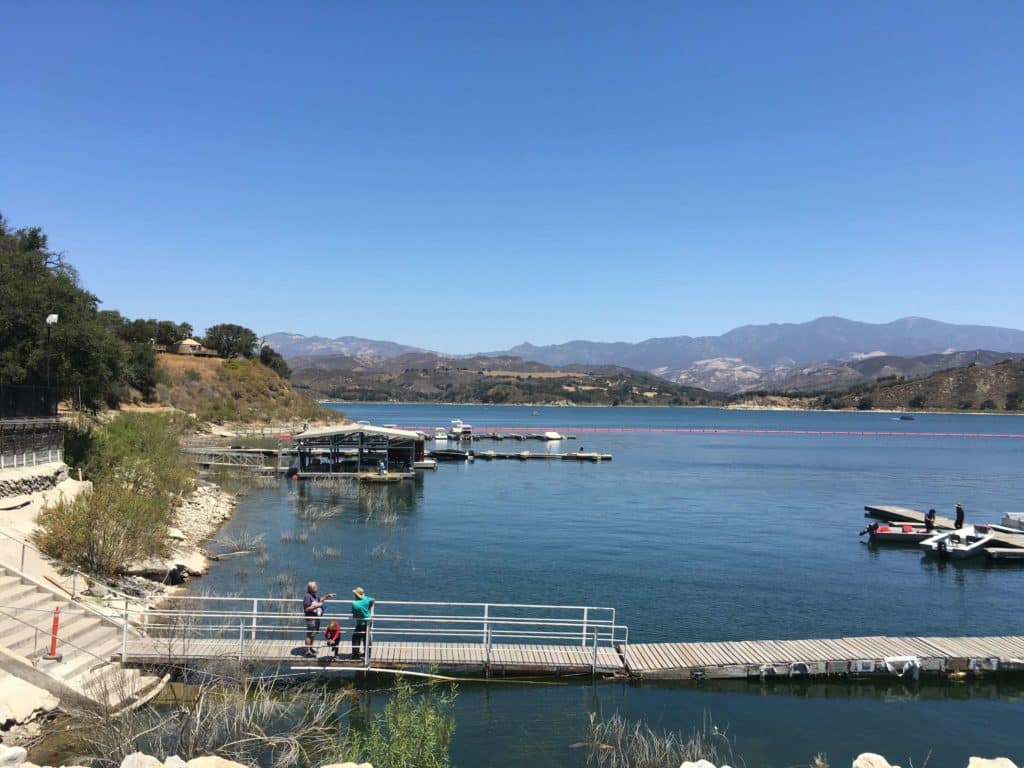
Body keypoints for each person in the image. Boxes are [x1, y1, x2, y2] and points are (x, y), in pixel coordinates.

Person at [302, 581, 336, 657]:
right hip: (311, 619)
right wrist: (317, 606)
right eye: (315, 587)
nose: (317, 587)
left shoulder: (313, 595)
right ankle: (307, 651)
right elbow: (307, 609)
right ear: (311, 589)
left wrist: (328, 596)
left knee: (313, 634)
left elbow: (320, 599)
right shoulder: (307, 597)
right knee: (309, 634)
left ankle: (311, 648)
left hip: (316, 618)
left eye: (316, 586)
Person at [351, 586, 375, 660]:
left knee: (355, 638)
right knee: (366, 638)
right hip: (368, 621)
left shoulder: (355, 603)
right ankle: (368, 654)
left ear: (355, 595)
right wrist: (368, 607)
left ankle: (355, 654)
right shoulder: (367, 599)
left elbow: (354, 615)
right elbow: (374, 600)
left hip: (361, 623)